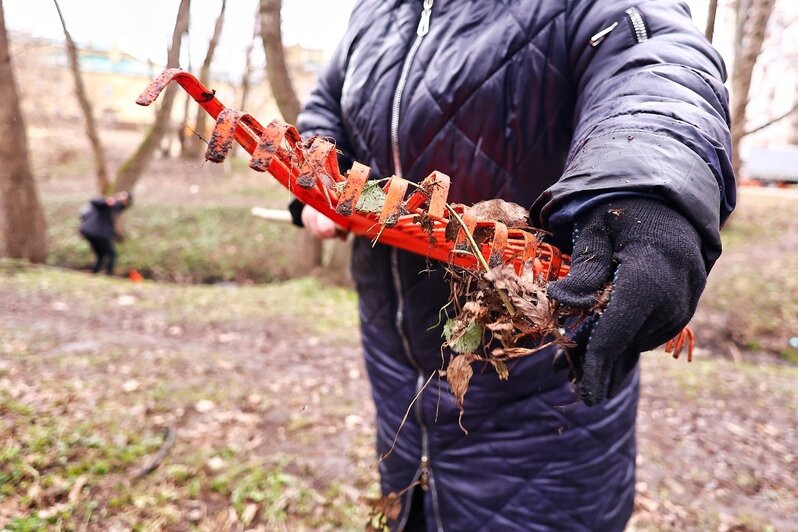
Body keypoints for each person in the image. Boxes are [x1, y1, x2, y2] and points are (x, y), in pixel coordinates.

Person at [289, 1, 735, 529]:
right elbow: (328, 99)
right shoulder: (376, 10)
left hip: (541, 391)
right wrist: (319, 177)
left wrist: (639, 183)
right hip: (396, 366)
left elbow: (653, 62)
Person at [79, 191, 131, 275]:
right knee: (111, 253)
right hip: (97, 232)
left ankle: (95, 271)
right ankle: (108, 273)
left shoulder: (116, 208)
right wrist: (109, 201)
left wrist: (117, 236)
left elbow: (110, 221)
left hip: (91, 231)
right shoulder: (113, 204)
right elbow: (95, 202)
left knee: (101, 254)